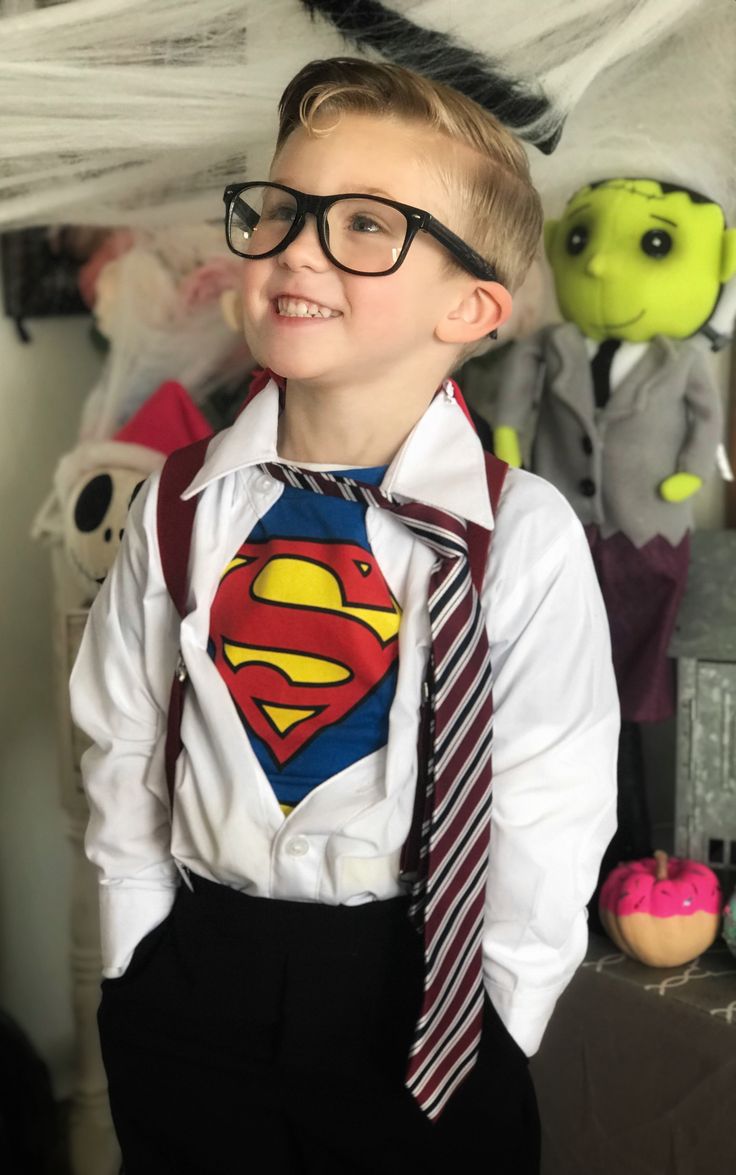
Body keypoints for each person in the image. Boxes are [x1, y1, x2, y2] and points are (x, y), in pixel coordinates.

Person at [70, 56, 619, 1175]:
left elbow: (552, 797)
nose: (297, 248)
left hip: (419, 993)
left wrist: (498, 1014)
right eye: (280, 211)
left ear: (469, 306)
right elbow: (123, 729)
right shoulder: (179, 497)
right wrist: (136, 950)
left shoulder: (520, 533)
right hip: (199, 974)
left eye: (366, 225)